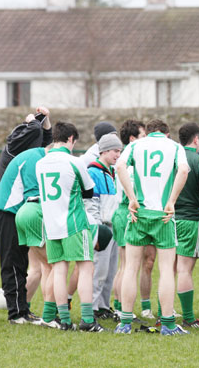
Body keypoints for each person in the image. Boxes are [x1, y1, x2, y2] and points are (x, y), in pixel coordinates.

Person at [115, 119, 189, 336]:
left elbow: (119, 166)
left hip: (139, 213)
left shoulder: (136, 145)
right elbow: (183, 170)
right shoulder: (175, 147)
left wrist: (131, 197)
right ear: (166, 133)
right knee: (166, 269)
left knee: (131, 267)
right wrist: (172, 201)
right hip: (163, 215)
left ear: (147, 132)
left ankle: (125, 323)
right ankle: (167, 324)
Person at [36, 121, 104, 332]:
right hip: (74, 222)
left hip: (51, 224)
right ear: (71, 139)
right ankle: (87, 320)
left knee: (58, 270)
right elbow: (89, 191)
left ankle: (64, 320)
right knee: (85, 267)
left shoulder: (40, 163)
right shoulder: (74, 162)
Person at [0, 146, 50, 324]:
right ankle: (16, 314)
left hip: (17, 214)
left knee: (22, 263)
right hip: (7, 213)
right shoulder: (33, 157)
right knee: (12, 263)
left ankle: (23, 310)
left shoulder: (38, 156)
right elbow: (33, 195)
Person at [13, 145, 58, 327]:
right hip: (36, 212)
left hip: (23, 210)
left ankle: (23, 309)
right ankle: (49, 316)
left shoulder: (34, 160)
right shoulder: (52, 162)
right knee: (53, 265)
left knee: (37, 267)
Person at [111, 119, 147, 320]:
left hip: (120, 212)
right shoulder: (131, 162)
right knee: (128, 266)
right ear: (133, 139)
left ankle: (118, 306)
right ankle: (123, 309)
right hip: (127, 212)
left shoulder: (124, 158)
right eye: (143, 136)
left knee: (124, 264)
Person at [84, 133, 122, 319]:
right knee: (99, 270)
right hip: (102, 228)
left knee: (110, 270)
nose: (118, 155)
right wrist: (98, 228)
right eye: (115, 151)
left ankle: (104, 306)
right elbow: (92, 204)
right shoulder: (93, 172)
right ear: (104, 150)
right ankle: (92, 307)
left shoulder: (112, 172)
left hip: (113, 228)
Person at [175, 122, 199, 328]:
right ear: (196, 140)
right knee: (185, 270)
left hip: (168, 220)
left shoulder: (172, 158)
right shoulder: (198, 160)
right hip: (190, 219)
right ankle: (188, 317)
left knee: (167, 270)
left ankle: (163, 314)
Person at [0, 106, 52, 178]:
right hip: (11, 189)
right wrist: (32, 120)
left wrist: (46, 118)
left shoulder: (30, 149)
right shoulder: (13, 147)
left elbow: (47, 139)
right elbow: (35, 128)